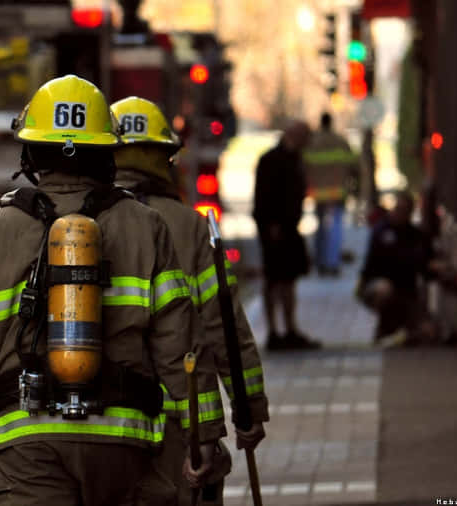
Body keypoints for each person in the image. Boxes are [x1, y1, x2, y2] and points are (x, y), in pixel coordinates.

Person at [0, 76, 226, 506]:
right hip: (123, 445)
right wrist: (205, 434)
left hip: (26, 447)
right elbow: (182, 347)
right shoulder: (146, 228)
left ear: (31, 153)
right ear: (107, 153)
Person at [111, 97, 269, 506]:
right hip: (178, 422)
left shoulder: (74, 224)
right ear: (165, 158)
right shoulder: (189, 225)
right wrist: (248, 409)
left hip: (96, 423)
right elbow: (224, 326)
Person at [253, 121, 320, 350]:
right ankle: (274, 331)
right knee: (274, 280)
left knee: (288, 280)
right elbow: (264, 197)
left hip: (289, 227)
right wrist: (271, 226)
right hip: (275, 229)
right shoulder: (271, 161)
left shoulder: (295, 159)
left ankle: (289, 328)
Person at [357, 192, 443, 346]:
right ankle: (386, 328)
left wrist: (437, 269)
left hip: (407, 293)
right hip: (379, 285)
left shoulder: (416, 235)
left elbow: (427, 269)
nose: (399, 214)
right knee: (384, 290)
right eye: (398, 209)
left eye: (404, 210)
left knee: (429, 331)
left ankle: (402, 331)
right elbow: (386, 262)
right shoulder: (382, 230)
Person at [303, 113, 359, 276]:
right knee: (336, 228)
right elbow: (354, 166)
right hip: (338, 192)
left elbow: (303, 167)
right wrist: (355, 187)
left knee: (320, 227)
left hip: (318, 193)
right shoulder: (341, 141)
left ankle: (320, 262)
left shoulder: (312, 143)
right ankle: (333, 263)